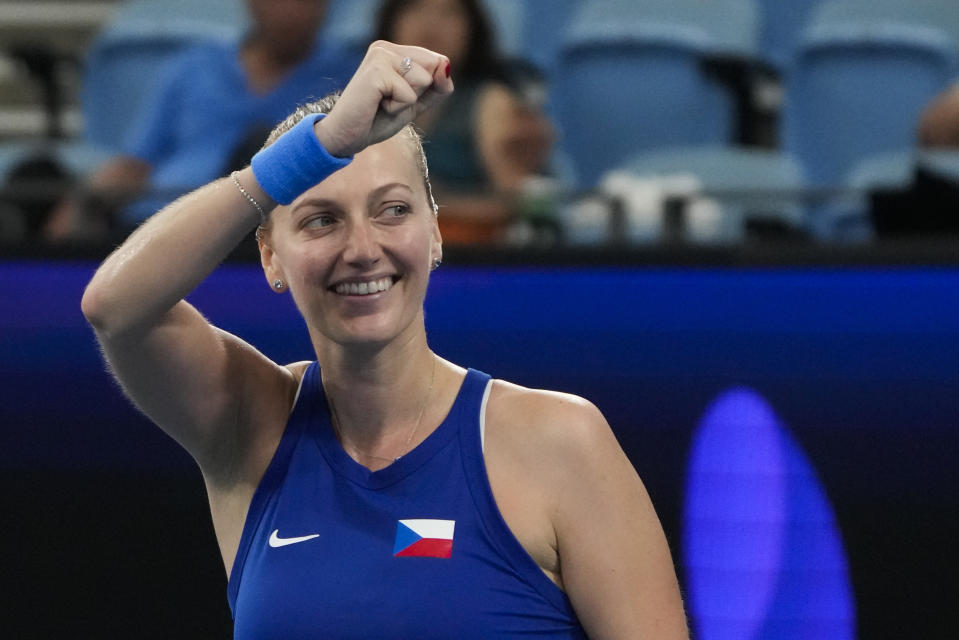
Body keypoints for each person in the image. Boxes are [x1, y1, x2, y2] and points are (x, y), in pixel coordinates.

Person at [81, 40, 689, 638]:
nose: (363, 249)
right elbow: (116, 306)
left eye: (393, 210)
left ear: (435, 233)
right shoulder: (251, 424)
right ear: (269, 255)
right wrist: (316, 148)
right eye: (321, 219)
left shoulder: (560, 442)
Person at [46, 0, 357, 243]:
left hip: (264, 233)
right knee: (38, 176)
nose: (291, 12)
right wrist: (77, 207)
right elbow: (136, 164)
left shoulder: (347, 79)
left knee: (257, 151)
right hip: (157, 225)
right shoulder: (193, 66)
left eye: (306, 1)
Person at [373, 0, 557, 245]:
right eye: (415, 8)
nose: (431, 24)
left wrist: (431, 202)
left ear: (472, 30)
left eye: (449, 13)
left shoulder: (491, 101)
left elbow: (518, 203)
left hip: (471, 259)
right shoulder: (372, 103)